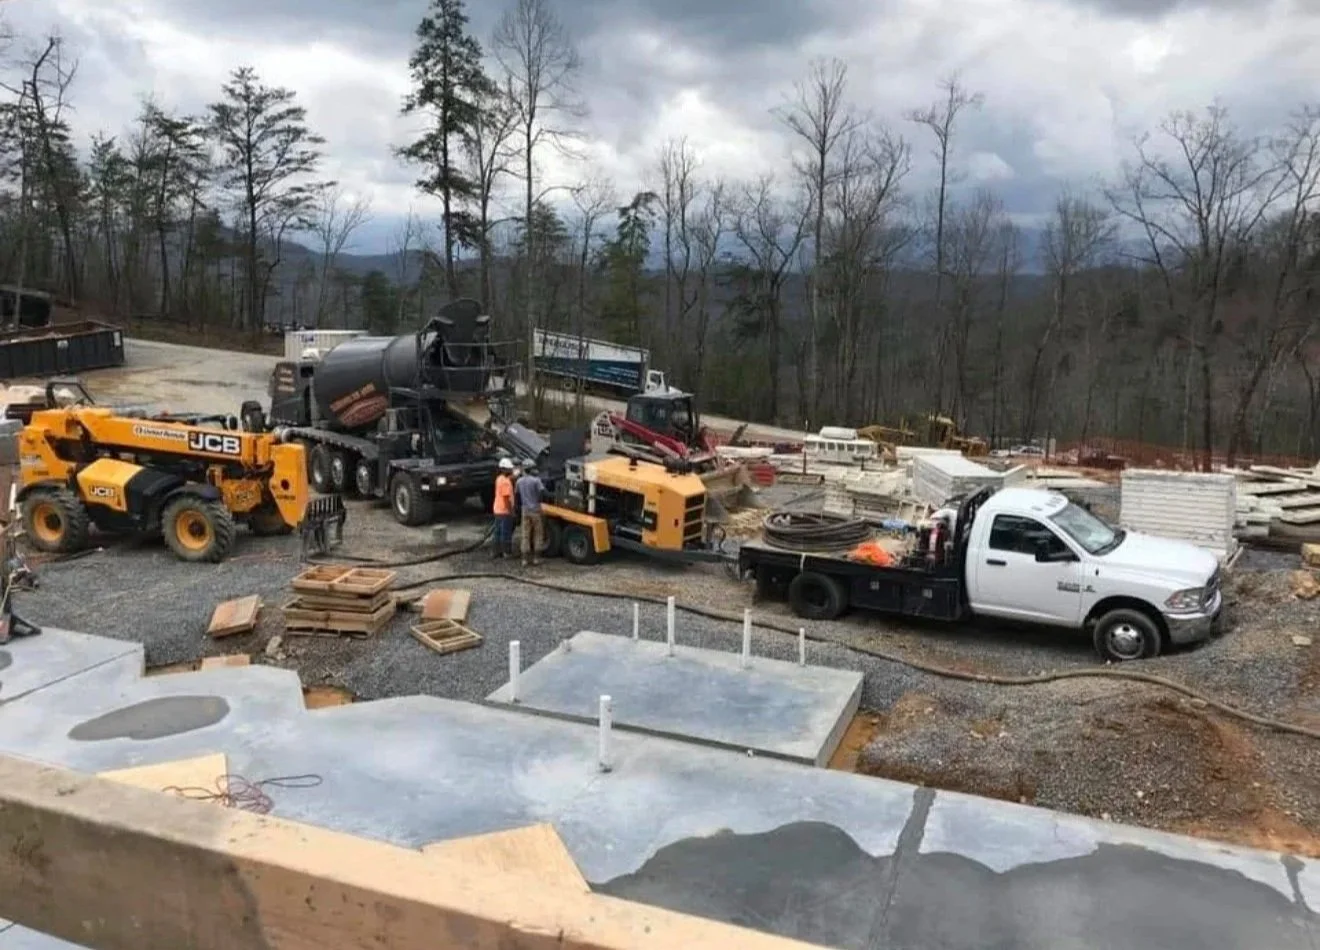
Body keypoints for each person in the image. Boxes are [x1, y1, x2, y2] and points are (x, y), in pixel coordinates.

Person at [516, 463, 546, 567]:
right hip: (536, 510)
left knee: (525, 534)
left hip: (525, 510)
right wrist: (538, 500)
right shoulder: (536, 480)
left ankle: (524, 560)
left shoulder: (519, 481)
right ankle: (536, 559)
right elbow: (542, 492)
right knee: (538, 534)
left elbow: (517, 495)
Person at [492, 458, 516, 559]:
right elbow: (506, 499)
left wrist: (513, 476)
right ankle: (507, 553)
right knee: (506, 533)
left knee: (497, 532)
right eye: (509, 469)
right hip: (505, 511)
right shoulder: (506, 482)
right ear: (504, 469)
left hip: (497, 509)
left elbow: (508, 479)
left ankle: (496, 552)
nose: (510, 470)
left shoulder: (499, 479)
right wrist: (511, 512)